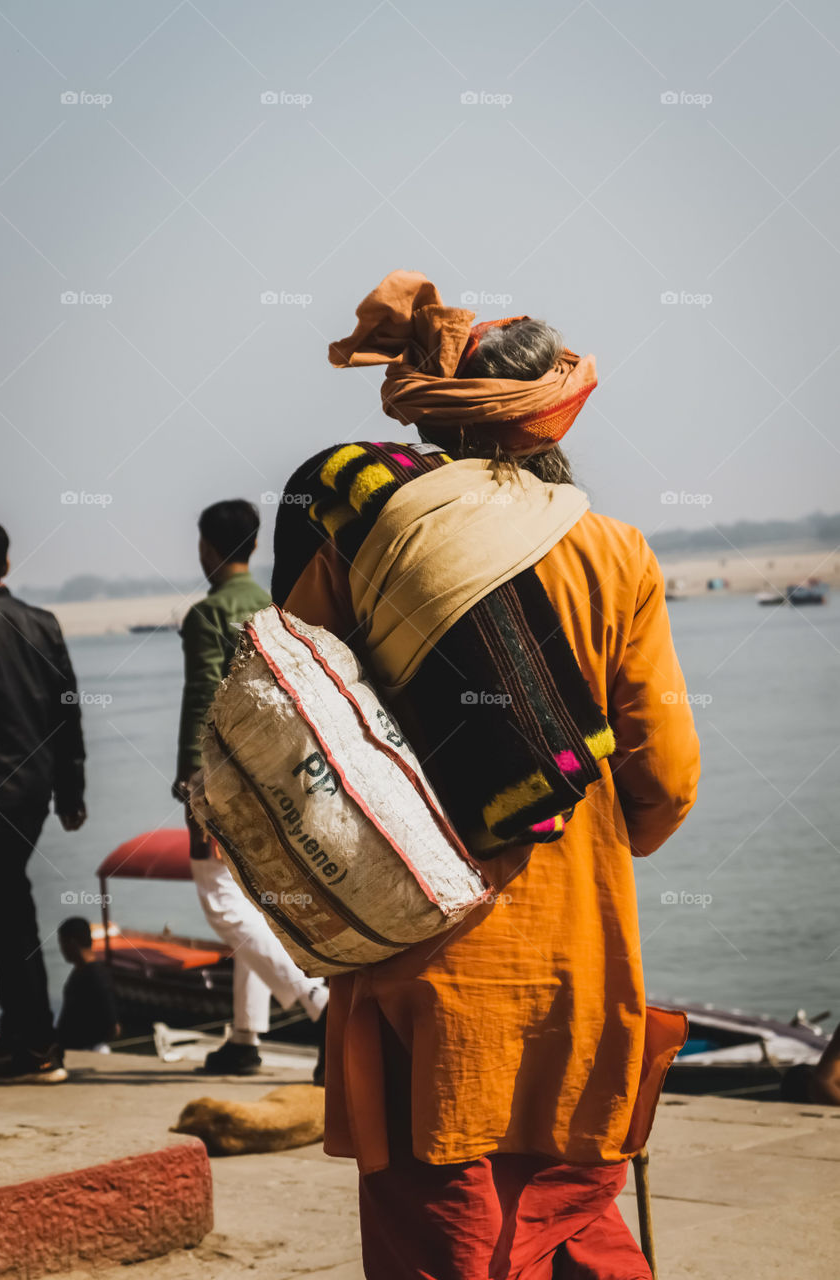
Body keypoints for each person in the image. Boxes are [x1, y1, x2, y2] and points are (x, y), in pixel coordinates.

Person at [276, 271, 702, 1279]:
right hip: (574, 955)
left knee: (445, 1226)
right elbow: (669, 774)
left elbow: (291, 722)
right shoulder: (614, 550)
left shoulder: (365, 541)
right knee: (569, 1215)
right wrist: (600, 839)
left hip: (412, 948)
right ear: (555, 412)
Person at [174, 499, 328, 1077]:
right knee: (254, 899)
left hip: (219, 779)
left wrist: (191, 772)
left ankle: (320, 1004)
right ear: (255, 547)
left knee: (220, 903)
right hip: (277, 775)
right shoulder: (274, 609)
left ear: (207, 550)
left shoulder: (205, 615)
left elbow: (200, 700)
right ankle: (244, 1037)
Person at [0, 519, 86, 1084]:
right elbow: (67, 713)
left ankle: (34, 1045)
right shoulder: (42, 625)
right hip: (27, 796)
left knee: (8, 914)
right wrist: (71, 793)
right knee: (10, 909)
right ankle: (34, 1043)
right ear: (4, 564)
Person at [56, 917, 119, 1051]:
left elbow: (112, 1025)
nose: (61, 949)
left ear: (72, 943)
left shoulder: (95, 976)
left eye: (62, 943)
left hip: (87, 1049)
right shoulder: (82, 970)